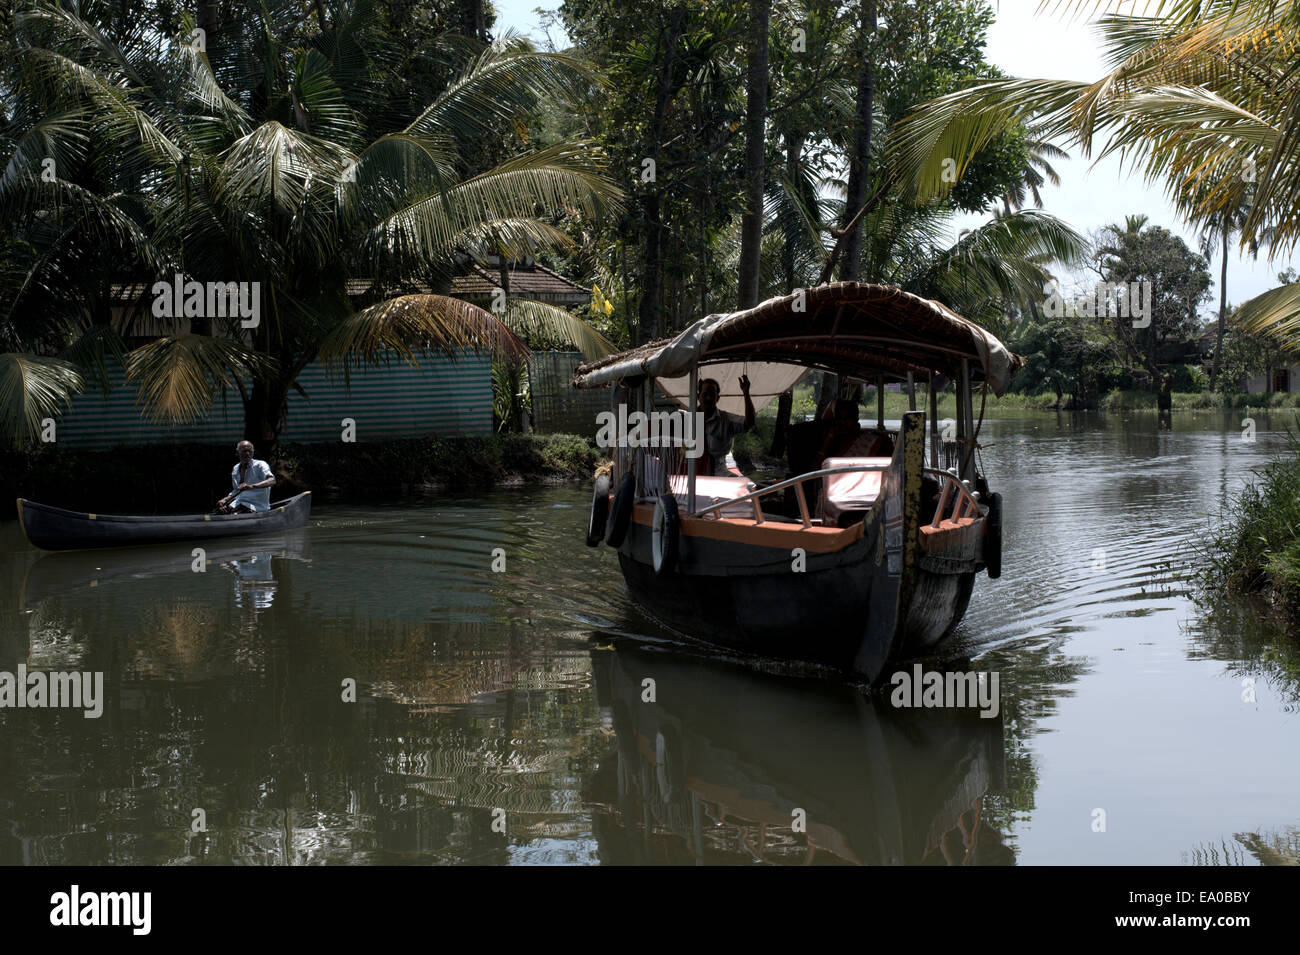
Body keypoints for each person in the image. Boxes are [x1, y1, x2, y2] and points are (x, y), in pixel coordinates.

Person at [697, 375, 756, 477]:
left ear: (717, 398)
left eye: (712, 395)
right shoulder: (686, 420)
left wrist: (746, 392)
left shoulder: (726, 420)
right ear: (698, 397)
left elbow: (749, 423)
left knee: (738, 484)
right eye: (705, 394)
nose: (708, 398)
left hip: (719, 472)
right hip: (692, 472)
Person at [216, 440, 276, 513]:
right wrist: (225, 499)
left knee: (238, 512)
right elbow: (236, 490)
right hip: (238, 503)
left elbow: (272, 480)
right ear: (237, 452)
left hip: (257, 506)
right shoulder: (235, 468)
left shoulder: (260, 465)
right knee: (221, 510)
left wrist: (252, 486)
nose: (247, 453)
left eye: (250, 451)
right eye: (244, 451)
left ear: (253, 452)